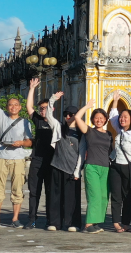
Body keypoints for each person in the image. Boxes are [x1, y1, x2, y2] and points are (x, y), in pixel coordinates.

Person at [0, 69, 33, 229]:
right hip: (1, 157)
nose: (13, 107)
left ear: (20, 107)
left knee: (17, 189)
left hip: (18, 158)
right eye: (10, 105)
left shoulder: (25, 122)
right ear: (7, 107)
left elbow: (30, 142)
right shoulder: (2, 116)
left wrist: (21, 143)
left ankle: (15, 219)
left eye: (16, 105)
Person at [44, 95, 83, 232]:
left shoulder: (81, 132)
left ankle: (73, 223)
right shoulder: (59, 127)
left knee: (72, 198)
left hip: (73, 170)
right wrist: (52, 99)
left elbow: (82, 154)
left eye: (71, 114)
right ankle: (55, 222)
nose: (68, 117)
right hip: (57, 165)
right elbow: (49, 115)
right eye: (66, 114)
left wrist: (78, 170)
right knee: (55, 196)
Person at [74, 102, 112, 234]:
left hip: (106, 168)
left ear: (106, 120)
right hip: (92, 167)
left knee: (103, 197)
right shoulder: (89, 131)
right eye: (96, 118)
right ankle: (88, 224)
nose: (99, 120)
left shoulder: (109, 134)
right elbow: (78, 118)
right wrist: (86, 106)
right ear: (92, 119)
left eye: (102, 118)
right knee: (94, 195)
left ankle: (96, 222)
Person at [24, 78, 54, 230]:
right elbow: (29, 106)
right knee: (34, 192)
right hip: (37, 161)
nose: (43, 110)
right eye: (41, 108)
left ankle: (50, 220)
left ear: (52, 108)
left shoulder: (57, 124)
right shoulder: (38, 121)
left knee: (50, 192)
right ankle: (32, 219)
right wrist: (32, 89)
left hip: (52, 162)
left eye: (46, 108)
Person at [108, 105, 131, 233]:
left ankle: (126, 223)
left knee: (127, 197)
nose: (122, 119)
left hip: (129, 168)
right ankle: (116, 223)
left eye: (125, 117)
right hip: (116, 166)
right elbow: (112, 118)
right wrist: (115, 102)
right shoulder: (120, 131)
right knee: (116, 196)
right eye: (121, 117)